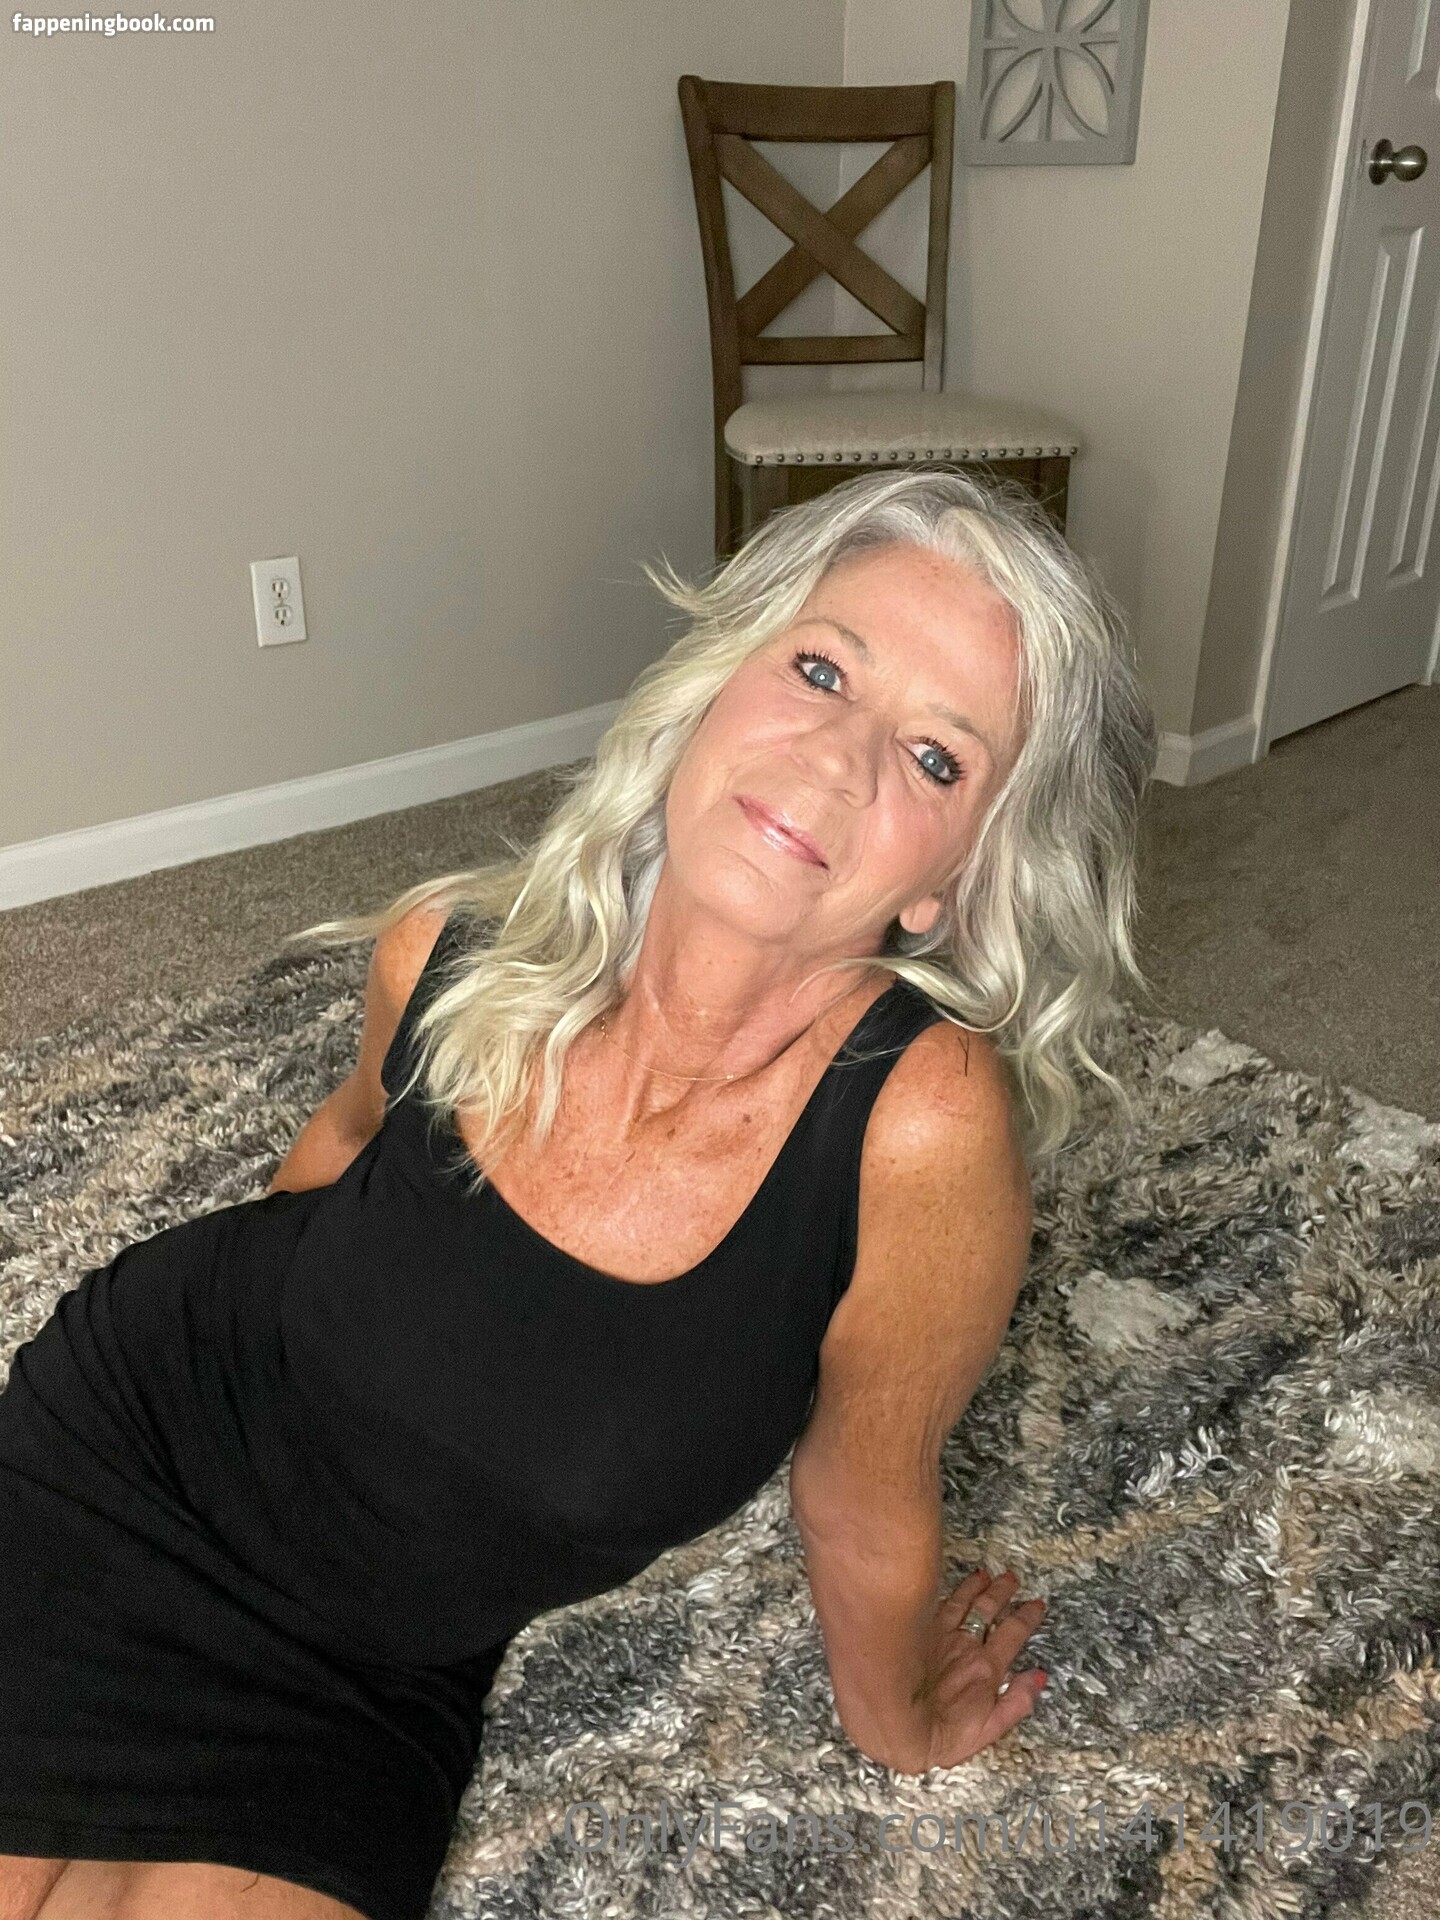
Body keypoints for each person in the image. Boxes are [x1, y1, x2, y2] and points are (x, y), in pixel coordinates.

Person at [0, 468, 1157, 1920]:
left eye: (936, 758)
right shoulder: (451, 955)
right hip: (133, 1459)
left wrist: (902, 1723)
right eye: (819, 670)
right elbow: (333, 1157)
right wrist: (338, 1329)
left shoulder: (917, 1131)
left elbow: (864, 1495)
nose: (839, 760)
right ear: (715, 687)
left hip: (378, 1672)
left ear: (953, 885)